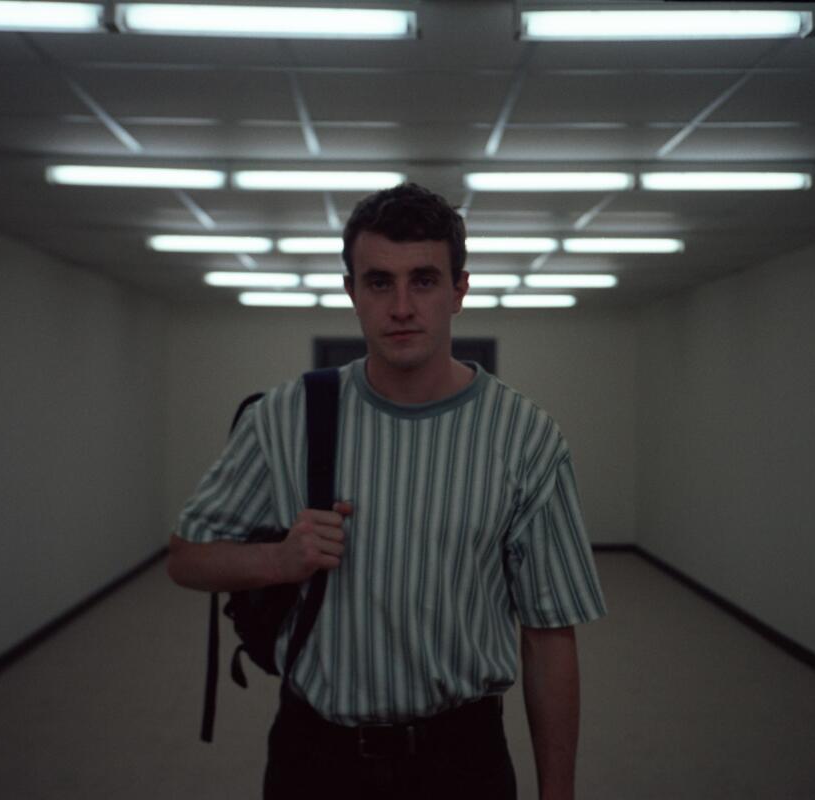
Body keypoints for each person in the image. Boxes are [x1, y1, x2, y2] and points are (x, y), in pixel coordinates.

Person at [167, 183, 606, 800]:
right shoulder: (287, 416)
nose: (401, 306)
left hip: (463, 758)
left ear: (460, 289)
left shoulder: (525, 437)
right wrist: (276, 560)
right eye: (379, 283)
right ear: (352, 292)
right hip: (315, 754)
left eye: (424, 280)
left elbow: (549, 634)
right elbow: (186, 557)